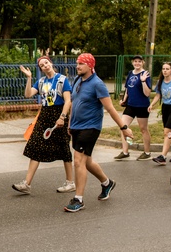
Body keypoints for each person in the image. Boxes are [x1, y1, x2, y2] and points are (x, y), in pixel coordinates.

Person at [64, 53, 132, 213]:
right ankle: (107, 182)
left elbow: (110, 108)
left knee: (78, 161)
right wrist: (69, 123)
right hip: (76, 126)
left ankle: (78, 199)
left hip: (90, 127)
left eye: (81, 63)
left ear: (90, 66)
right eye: (77, 63)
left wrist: (124, 128)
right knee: (86, 161)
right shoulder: (77, 80)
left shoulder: (97, 84)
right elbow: (74, 103)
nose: (77, 66)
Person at [12, 56, 74, 194]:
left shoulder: (62, 79)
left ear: (51, 63)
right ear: (40, 69)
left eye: (46, 63)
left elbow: (68, 100)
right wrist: (28, 78)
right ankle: (27, 184)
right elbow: (28, 94)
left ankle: (70, 182)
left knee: (64, 148)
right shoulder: (41, 82)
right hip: (45, 115)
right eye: (42, 65)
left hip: (58, 114)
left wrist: (62, 117)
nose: (45, 65)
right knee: (35, 145)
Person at [114, 55, 152, 161]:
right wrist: (124, 100)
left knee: (143, 129)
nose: (137, 63)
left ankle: (147, 152)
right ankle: (125, 152)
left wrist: (143, 81)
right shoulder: (131, 73)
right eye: (135, 61)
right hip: (130, 105)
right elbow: (127, 89)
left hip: (142, 106)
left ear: (143, 62)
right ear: (132, 62)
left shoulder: (145, 74)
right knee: (123, 127)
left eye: (139, 61)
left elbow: (147, 93)